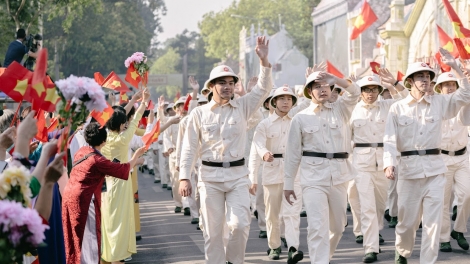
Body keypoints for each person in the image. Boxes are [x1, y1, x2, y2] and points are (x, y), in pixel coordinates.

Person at [179, 36, 272, 264]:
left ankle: (234, 261)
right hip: (209, 178)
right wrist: (184, 177)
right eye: (223, 83)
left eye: (231, 82)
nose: (228, 86)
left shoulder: (243, 106)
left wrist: (264, 61)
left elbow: (263, 89)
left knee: (240, 225)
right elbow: (189, 149)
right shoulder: (199, 114)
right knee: (212, 233)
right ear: (211, 87)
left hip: (238, 176)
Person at [383, 48, 470, 264]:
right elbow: (390, 140)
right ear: (410, 81)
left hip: (435, 170)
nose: (425, 80)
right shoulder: (397, 108)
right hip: (409, 171)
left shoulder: (440, 103)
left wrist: (456, 67)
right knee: (407, 223)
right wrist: (389, 164)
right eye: (420, 76)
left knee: (433, 223)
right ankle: (402, 251)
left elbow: (466, 94)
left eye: (428, 76)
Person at [284, 70, 360, 263]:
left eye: (325, 85)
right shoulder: (300, 118)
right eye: (317, 86)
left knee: (338, 226)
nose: (322, 89)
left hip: (339, 176)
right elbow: (293, 154)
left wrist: (336, 79)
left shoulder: (341, 109)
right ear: (310, 91)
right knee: (317, 226)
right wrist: (288, 183)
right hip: (313, 178)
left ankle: (325, 256)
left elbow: (355, 92)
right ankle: (320, 261)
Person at [62, 122, 146, 264]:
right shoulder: (97, 160)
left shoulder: (82, 152)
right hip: (84, 201)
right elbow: (122, 170)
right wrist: (136, 158)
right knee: (89, 239)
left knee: (75, 238)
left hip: (69, 196)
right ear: (104, 140)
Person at [350, 74, 408, 263]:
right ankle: (371, 248)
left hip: (384, 160)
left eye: (374, 89)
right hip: (361, 162)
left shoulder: (388, 106)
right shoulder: (352, 109)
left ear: (379, 90)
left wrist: (395, 84)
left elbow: (407, 99)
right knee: (367, 207)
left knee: (379, 205)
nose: (370, 93)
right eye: (366, 89)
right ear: (360, 92)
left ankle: (375, 232)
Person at [251, 85, 309, 262]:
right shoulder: (264, 124)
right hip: (272, 170)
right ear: (274, 102)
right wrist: (264, 154)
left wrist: (308, 82)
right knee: (273, 213)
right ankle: (274, 246)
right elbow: (257, 144)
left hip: (293, 171)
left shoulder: (297, 120)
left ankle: (293, 247)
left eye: (289, 99)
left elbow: (309, 102)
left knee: (292, 212)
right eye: (282, 99)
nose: (286, 102)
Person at [100, 89, 150, 264]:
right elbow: (135, 121)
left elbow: (116, 116)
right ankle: (117, 256)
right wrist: (143, 103)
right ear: (121, 125)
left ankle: (110, 254)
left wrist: (133, 101)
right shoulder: (122, 140)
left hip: (105, 184)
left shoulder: (102, 137)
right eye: (123, 123)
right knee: (120, 221)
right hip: (121, 184)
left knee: (108, 220)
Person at [432, 72, 470, 253]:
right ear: (439, 88)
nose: (450, 87)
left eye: (452, 84)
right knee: (443, 200)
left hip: (462, 156)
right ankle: (444, 237)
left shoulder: (463, 102)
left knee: (467, 194)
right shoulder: (435, 105)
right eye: (445, 84)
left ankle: (459, 230)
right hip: (442, 157)